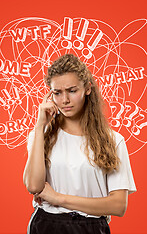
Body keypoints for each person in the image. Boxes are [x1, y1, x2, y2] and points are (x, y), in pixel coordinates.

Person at [23, 54, 137, 234]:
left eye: (72, 90)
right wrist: (39, 127)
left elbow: (118, 205)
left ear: (88, 89)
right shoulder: (40, 136)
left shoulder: (113, 140)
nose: (65, 100)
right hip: (45, 224)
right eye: (57, 93)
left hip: (90, 227)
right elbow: (34, 187)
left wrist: (59, 199)